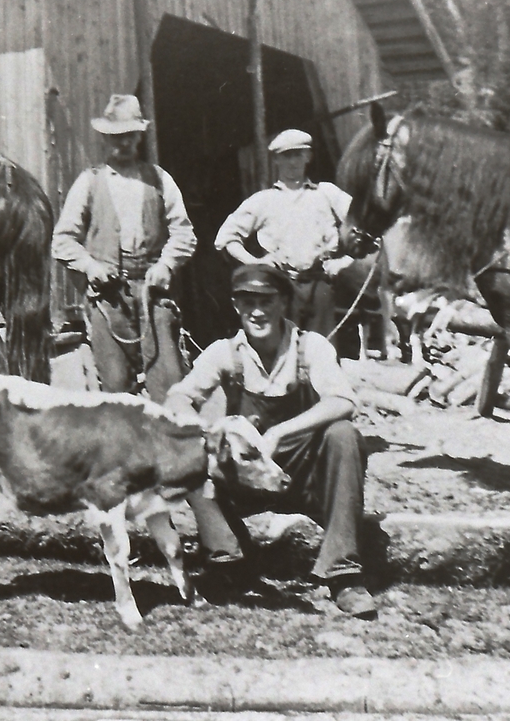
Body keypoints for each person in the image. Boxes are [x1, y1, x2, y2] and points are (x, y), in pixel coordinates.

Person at [164, 264, 376, 619]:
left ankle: (344, 575)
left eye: (266, 300)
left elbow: (343, 402)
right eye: (247, 302)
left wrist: (279, 432)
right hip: (247, 479)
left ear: (284, 304)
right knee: (188, 450)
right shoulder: (225, 352)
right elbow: (177, 398)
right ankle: (230, 561)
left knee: (344, 435)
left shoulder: (311, 347)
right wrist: (212, 430)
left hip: (302, 474)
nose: (257, 311)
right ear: (235, 305)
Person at [52, 94, 197, 401]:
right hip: (108, 299)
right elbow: (62, 241)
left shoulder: (159, 179)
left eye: (129, 135)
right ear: (105, 138)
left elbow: (184, 234)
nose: (123, 143)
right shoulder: (89, 182)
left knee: (168, 383)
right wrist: (90, 266)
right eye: (116, 137)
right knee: (116, 388)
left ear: (139, 136)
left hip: (153, 294)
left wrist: (166, 265)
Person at [215, 129, 354, 337]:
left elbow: (365, 224)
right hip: (281, 287)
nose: (292, 162)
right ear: (276, 161)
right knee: (283, 349)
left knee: (323, 351)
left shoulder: (326, 193)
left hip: (320, 284)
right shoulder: (263, 200)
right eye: (286, 156)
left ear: (308, 157)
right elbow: (226, 238)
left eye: (298, 155)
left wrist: (345, 261)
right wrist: (255, 262)